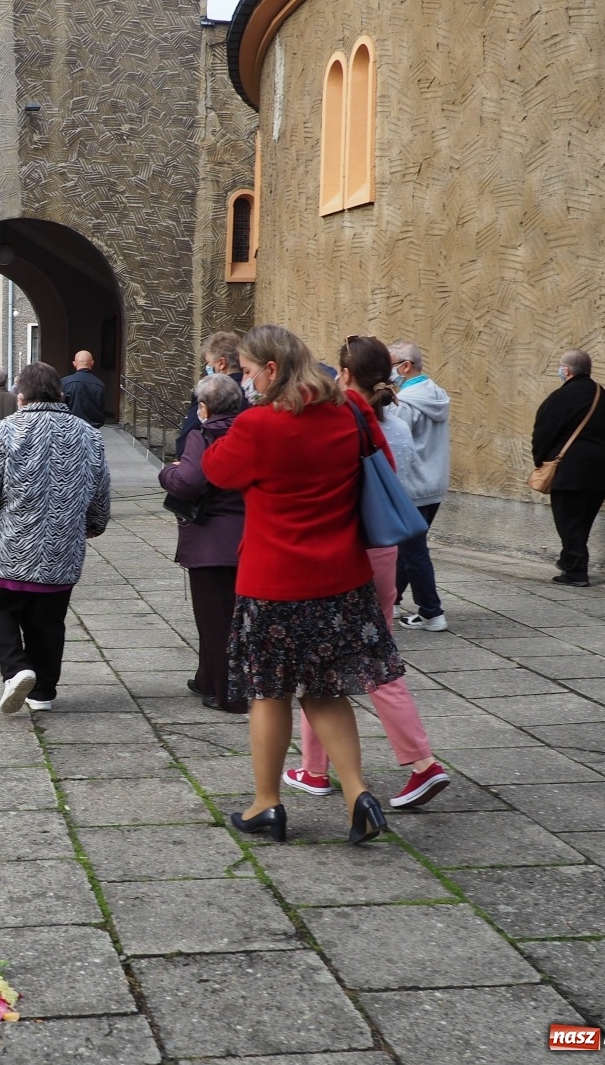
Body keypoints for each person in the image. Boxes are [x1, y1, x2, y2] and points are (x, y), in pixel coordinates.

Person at [201, 324, 404, 845]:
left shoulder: (256, 426)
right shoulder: (351, 411)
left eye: (246, 372)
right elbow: (384, 462)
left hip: (274, 582)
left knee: (269, 693)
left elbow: (216, 472)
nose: (244, 383)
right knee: (327, 690)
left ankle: (267, 804)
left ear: (271, 369)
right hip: (342, 578)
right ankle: (359, 794)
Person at [283, 336, 451, 809]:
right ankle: (316, 769)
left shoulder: (342, 416)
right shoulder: (391, 420)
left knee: (334, 664)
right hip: (381, 552)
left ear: (346, 373)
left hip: (344, 553)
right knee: (363, 659)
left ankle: (419, 763)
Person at [0, 363, 111, 714]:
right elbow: (100, 488)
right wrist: (96, 523)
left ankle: (16, 668)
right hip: (60, 548)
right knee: (48, 621)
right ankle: (43, 692)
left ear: (20, 397)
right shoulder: (88, 434)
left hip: (6, 546)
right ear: (60, 394)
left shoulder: (5, 432)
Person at [158, 372, 247, 714]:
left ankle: (229, 693)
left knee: (215, 621)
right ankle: (207, 678)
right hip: (247, 537)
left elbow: (188, 482)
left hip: (212, 540)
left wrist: (167, 471)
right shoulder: (248, 430)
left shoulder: (204, 434)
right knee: (228, 617)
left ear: (205, 408)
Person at [532, 348, 605, 587]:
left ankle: (575, 571)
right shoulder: (600, 394)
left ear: (566, 370)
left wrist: (540, 461)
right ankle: (568, 559)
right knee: (582, 519)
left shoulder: (561, 397)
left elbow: (543, 432)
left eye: (560, 367)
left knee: (568, 519)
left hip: (573, 467)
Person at [388, 340, 452, 630]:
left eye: (390, 364)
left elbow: (396, 445)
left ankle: (431, 612)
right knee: (407, 548)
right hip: (433, 484)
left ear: (405, 366)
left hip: (411, 486)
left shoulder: (405, 403)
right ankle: (393, 598)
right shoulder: (435, 394)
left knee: (413, 551)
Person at [177, 331, 244, 450]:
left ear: (222, 363)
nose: (207, 367)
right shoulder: (253, 392)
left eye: (208, 362)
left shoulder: (210, 391)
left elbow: (186, 439)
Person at [61, 349, 106, 427]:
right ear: (92, 363)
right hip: (92, 430)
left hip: (70, 429)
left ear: (74, 364)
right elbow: (101, 407)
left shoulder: (64, 382)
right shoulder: (100, 385)